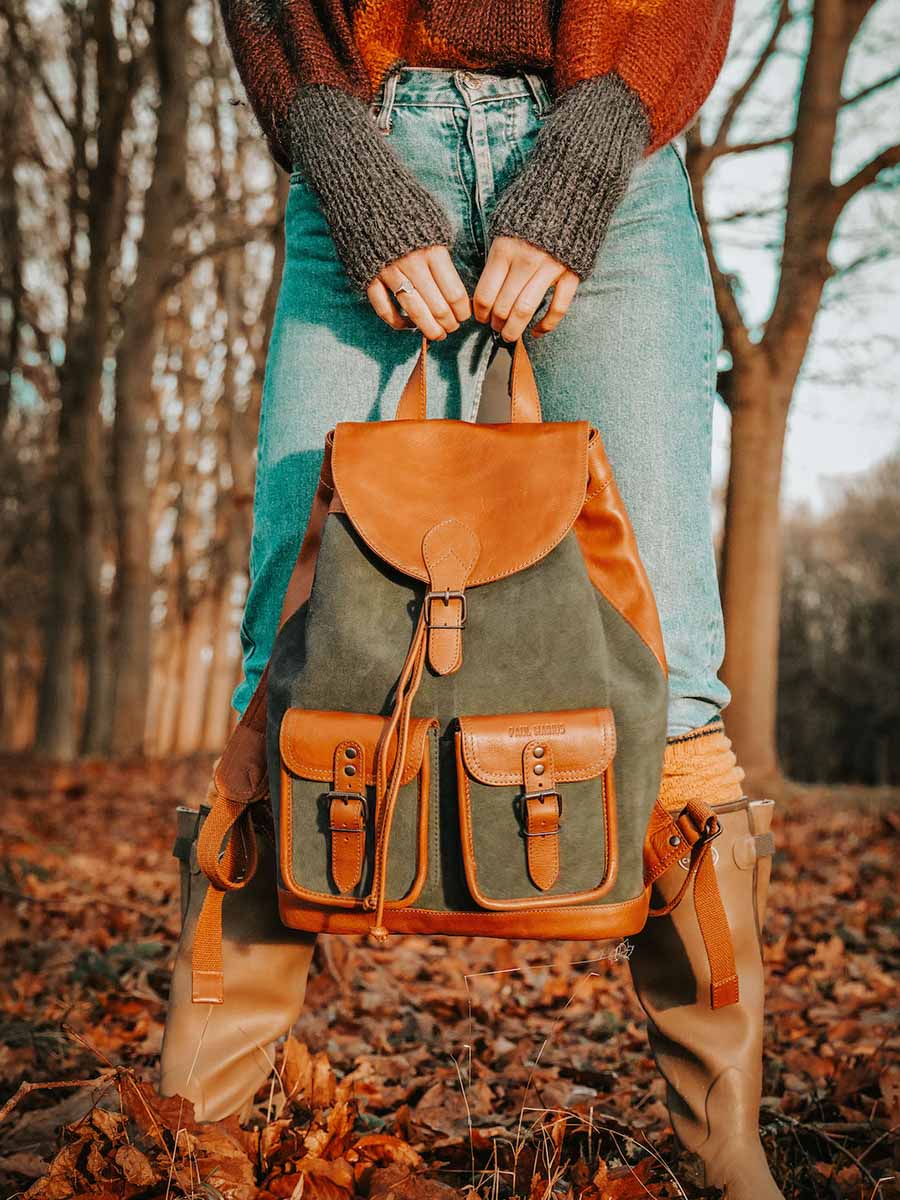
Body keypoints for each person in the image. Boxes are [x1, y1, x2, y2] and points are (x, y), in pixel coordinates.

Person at [159, 4, 783, 1197]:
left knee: (678, 682)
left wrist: (595, 141)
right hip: (366, 143)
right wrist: (335, 147)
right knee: (281, 664)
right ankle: (182, 1140)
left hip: (613, 151)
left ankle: (730, 1158)